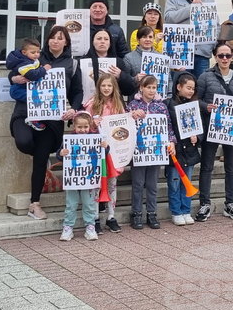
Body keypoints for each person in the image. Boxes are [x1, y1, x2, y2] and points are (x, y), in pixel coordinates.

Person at [8, 27, 84, 221]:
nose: (56, 41)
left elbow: (77, 92)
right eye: (53, 37)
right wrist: (13, 78)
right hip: (25, 112)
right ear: (47, 40)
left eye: (61, 38)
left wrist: (74, 109)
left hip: (51, 119)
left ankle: (34, 204)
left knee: (41, 158)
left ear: (66, 42)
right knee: (23, 142)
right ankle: (42, 159)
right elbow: (15, 65)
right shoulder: (35, 58)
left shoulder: (73, 64)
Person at [195, 43, 233, 222]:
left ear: (232, 57)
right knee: (207, 167)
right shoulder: (205, 77)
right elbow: (195, 100)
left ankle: (230, 203)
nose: (225, 59)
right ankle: (204, 203)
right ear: (215, 57)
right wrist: (206, 107)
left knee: (231, 168)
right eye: (221, 56)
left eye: (228, 55)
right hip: (211, 127)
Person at [126, 75, 177, 229]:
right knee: (138, 184)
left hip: (155, 152)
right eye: (148, 87)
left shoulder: (161, 106)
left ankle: (151, 213)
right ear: (141, 88)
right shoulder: (133, 105)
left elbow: (167, 126)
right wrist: (132, 116)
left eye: (154, 87)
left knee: (152, 184)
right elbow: (126, 126)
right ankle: (136, 213)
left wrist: (172, 141)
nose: (151, 90)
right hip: (139, 151)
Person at [84, 73, 126, 233]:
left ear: (113, 87)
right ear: (98, 87)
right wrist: (93, 125)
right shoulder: (91, 104)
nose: (106, 88)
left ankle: (111, 216)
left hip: (113, 152)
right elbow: (84, 129)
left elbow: (123, 127)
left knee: (111, 184)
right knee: (96, 185)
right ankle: (95, 217)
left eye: (109, 85)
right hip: (96, 152)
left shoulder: (118, 105)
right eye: (103, 85)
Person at [57, 112, 107, 242]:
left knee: (89, 204)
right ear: (74, 126)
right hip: (73, 178)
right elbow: (60, 154)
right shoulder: (69, 139)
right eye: (80, 127)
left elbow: (103, 154)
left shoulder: (95, 138)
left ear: (90, 126)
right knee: (71, 204)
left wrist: (105, 147)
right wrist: (61, 153)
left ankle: (90, 227)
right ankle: (68, 227)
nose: (83, 130)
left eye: (85, 127)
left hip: (88, 179)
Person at [164, 0, 217, 79]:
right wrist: (191, 8)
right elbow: (169, 18)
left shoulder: (210, 0)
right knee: (179, 85)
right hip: (181, 52)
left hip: (202, 53)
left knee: (201, 86)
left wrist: (211, 46)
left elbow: (216, 25)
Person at [166, 73, 202, 226]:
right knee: (174, 182)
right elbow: (166, 125)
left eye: (193, 88)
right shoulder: (169, 104)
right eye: (188, 88)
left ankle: (186, 210)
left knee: (187, 182)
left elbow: (201, 126)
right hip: (176, 151)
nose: (190, 91)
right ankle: (176, 211)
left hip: (190, 152)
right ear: (178, 87)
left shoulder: (195, 105)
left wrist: (198, 137)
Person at [81, 28, 137, 101]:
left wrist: (121, 76)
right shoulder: (82, 62)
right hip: (88, 105)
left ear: (110, 43)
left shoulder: (118, 62)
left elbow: (129, 90)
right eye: (99, 39)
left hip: (114, 107)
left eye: (106, 39)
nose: (102, 41)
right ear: (92, 42)